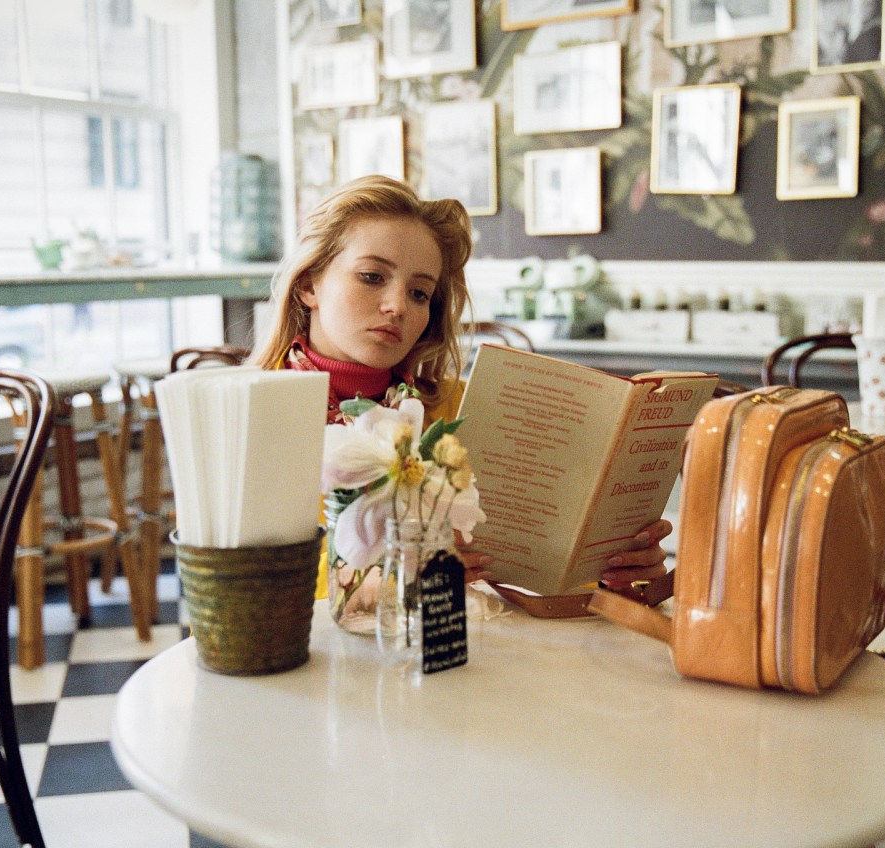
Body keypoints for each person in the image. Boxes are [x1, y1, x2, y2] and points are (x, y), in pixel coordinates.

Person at [250, 174, 672, 594]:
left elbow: (521, 565)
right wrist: (379, 582)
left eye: (419, 293)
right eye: (372, 277)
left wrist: (611, 568)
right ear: (309, 284)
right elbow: (237, 597)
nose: (397, 306)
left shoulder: (459, 407)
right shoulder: (253, 412)